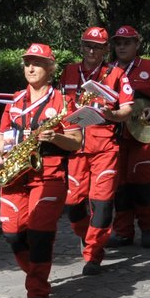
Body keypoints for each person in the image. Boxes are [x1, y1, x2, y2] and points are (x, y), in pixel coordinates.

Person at [0, 42, 84, 298]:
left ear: (50, 67)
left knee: (39, 234)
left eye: (37, 62)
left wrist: (55, 136)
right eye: (27, 63)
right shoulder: (14, 101)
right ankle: (37, 273)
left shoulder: (62, 101)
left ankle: (37, 290)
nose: (30, 67)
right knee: (12, 234)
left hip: (48, 174)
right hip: (15, 176)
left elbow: (77, 141)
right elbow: (1, 137)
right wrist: (1, 152)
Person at [57, 26, 133, 273]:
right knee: (73, 205)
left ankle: (93, 255)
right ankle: (88, 236)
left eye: (97, 47)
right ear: (81, 46)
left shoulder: (117, 74)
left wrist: (112, 113)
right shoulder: (68, 72)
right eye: (87, 45)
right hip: (74, 147)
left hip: (104, 148)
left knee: (101, 204)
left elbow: (127, 110)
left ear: (105, 50)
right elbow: (58, 106)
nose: (91, 51)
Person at [109, 25, 150, 248]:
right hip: (117, 138)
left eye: (127, 42)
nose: (122, 46)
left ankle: (147, 228)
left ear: (137, 44)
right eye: (118, 43)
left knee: (143, 183)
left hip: (145, 137)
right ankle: (122, 232)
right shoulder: (106, 71)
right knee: (120, 186)